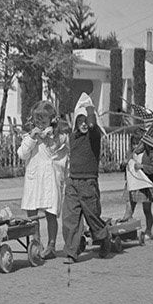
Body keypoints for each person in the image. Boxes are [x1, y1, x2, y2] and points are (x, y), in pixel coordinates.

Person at [61, 93, 112, 262]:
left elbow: (91, 124)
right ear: (75, 121)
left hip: (88, 183)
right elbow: (58, 127)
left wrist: (90, 107)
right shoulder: (73, 137)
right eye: (80, 120)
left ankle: (104, 238)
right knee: (70, 219)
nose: (84, 123)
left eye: (85, 120)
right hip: (73, 182)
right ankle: (71, 252)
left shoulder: (94, 135)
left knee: (93, 217)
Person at [17, 99, 68, 260]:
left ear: (52, 120)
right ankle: (36, 242)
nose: (40, 123)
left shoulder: (59, 136)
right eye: (37, 120)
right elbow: (22, 154)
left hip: (51, 179)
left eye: (44, 120)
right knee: (32, 212)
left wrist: (50, 137)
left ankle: (52, 244)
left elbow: (58, 150)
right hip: (34, 178)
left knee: (50, 213)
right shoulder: (30, 136)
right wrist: (32, 138)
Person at [121, 126, 153, 239]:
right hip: (132, 184)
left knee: (147, 210)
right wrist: (124, 164)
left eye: (138, 142)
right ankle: (126, 232)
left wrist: (142, 166)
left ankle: (148, 231)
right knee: (129, 209)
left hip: (145, 184)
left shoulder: (150, 152)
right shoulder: (131, 153)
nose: (135, 146)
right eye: (133, 143)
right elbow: (128, 169)